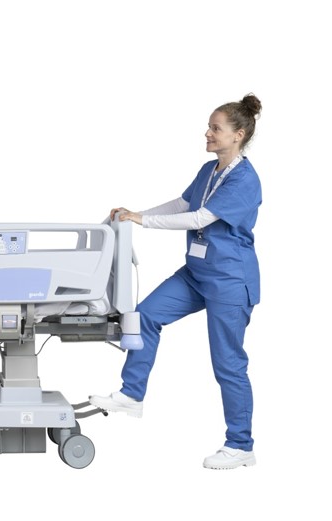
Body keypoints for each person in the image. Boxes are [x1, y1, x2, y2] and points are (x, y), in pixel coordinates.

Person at [89, 94, 262, 470]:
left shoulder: (245, 180)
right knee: (144, 317)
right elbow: (184, 204)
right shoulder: (209, 170)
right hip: (197, 274)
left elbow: (199, 219)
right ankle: (132, 395)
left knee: (228, 364)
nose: (207, 133)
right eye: (209, 127)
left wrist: (142, 221)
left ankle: (240, 446)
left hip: (229, 280)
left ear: (238, 135)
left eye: (215, 128)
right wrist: (136, 214)